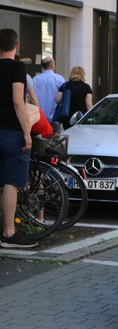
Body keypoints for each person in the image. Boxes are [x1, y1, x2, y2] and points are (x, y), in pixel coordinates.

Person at [0, 28, 36, 248]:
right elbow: (17, 100)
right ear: (17, 46)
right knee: (10, 183)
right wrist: (26, 132)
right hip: (11, 132)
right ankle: (9, 233)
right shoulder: (17, 67)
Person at [32, 56, 65, 122]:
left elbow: (30, 97)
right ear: (52, 66)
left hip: (39, 116)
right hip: (55, 116)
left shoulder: (35, 79)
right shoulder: (59, 79)